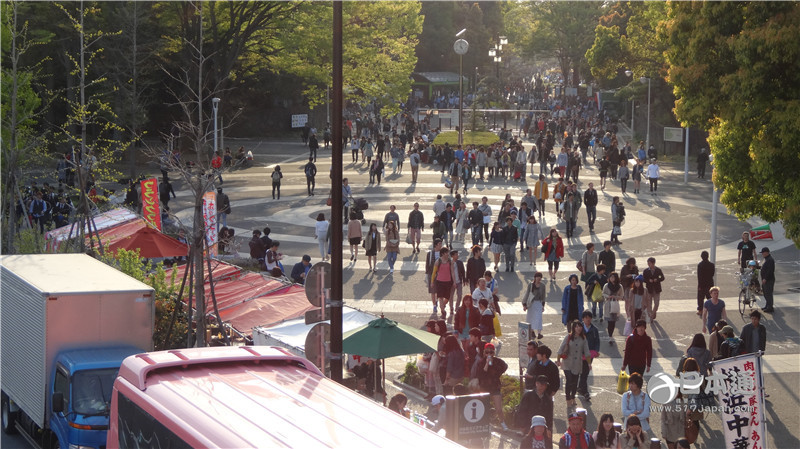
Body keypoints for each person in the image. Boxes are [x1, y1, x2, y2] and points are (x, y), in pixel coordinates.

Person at [556, 320, 592, 408]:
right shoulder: (568, 337)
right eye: (576, 326)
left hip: (577, 364)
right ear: (573, 328)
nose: (578, 328)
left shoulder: (583, 338)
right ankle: (568, 399)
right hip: (567, 363)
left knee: (575, 382)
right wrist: (558, 360)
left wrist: (589, 363)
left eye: (580, 326)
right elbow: (560, 349)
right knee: (569, 380)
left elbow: (587, 352)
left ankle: (573, 397)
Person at [477, 342, 509, 430]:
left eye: (491, 352)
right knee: (484, 406)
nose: (489, 354)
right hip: (484, 387)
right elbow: (481, 374)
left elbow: (505, 366)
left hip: (494, 387)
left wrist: (497, 372)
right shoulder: (481, 362)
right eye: (487, 352)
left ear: (494, 353)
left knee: (499, 408)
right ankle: (485, 422)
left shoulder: (498, 361)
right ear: (484, 353)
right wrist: (487, 364)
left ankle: (502, 422)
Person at [578, 312, 600, 403]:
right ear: (583, 319)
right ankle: (583, 389)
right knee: (582, 372)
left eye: (589, 318)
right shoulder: (579, 328)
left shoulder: (594, 330)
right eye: (586, 317)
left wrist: (596, 351)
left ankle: (583, 390)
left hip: (589, 354)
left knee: (585, 372)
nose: (588, 319)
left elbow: (597, 341)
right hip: (580, 354)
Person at [431, 247, 456, 319]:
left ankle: (442, 305)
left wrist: (454, 281)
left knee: (447, 297)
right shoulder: (438, 261)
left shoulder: (450, 261)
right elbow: (434, 273)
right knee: (440, 297)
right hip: (439, 281)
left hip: (448, 281)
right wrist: (432, 282)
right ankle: (443, 311)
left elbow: (452, 272)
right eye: (446, 253)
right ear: (442, 254)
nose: (448, 254)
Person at [523, 272, 547, 340]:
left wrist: (543, 305)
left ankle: (539, 333)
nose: (539, 279)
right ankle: (532, 331)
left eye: (540, 278)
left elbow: (543, 296)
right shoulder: (531, 285)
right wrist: (524, 304)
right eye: (538, 277)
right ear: (535, 278)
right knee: (530, 318)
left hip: (538, 303)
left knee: (539, 318)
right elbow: (527, 294)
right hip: (531, 303)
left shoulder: (542, 285)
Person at [696, 251, 715, 316]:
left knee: (700, 298)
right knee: (710, 297)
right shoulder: (712, 265)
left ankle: (700, 310)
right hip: (710, 283)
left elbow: (699, 276)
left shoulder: (700, 265)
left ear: (701, 257)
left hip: (702, 284)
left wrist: (699, 285)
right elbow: (712, 274)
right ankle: (711, 310)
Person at [759, 247, 775, 313]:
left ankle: (770, 307)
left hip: (768, 280)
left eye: (763, 253)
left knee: (768, 293)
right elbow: (763, 268)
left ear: (766, 252)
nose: (762, 254)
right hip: (765, 279)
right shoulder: (766, 259)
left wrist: (765, 278)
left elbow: (770, 271)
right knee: (765, 293)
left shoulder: (770, 260)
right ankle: (767, 305)